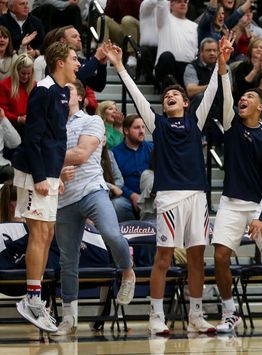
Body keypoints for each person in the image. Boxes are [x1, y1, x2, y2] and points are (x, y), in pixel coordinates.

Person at [105, 41, 217, 335]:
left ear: (185, 103)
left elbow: (214, 89)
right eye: (166, 95)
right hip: (168, 198)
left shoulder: (196, 120)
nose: (169, 96)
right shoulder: (157, 124)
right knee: (164, 258)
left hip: (197, 198)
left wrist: (223, 64)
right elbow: (136, 94)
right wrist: (119, 66)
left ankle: (195, 314)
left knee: (196, 259)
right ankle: (156, 316)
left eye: (175, 95)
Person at [213, 34, 262, 334]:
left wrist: (261, 217)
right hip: (231, 203)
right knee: (219, 256)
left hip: (259, 206)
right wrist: (223, 64)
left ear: (260, 108)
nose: (244, 100)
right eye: (243, 98)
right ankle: (230, 313)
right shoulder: (231, 124)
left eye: (250, 98)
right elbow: (227, 92)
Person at [53, 79, 136, 336]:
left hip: (92, 190)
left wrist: (49, 153)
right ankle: (69, 318)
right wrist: (56, 175)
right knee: (68, 260)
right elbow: (42, 165)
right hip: (64, 199)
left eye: (69, 91)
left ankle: (128, 271)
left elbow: (80, 154)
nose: (64, 96)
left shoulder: (92, 121)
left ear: (81, 97)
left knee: (111, 234)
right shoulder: (52, 127)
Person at [13, 42, 81, 333]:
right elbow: (33, 139)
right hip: (33, 172)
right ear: (59, 62)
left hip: (49, 172)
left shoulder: (63, 92)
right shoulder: (43, 90)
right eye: (74, 58)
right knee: (39, 234)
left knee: (48, 232)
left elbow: (56, 138)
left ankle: (35, 297)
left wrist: (57, 175)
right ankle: (32, 298)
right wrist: (41, 176)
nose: (78, 63)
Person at [112, 115, 153, 222]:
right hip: (127, 198)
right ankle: (128, 235)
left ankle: (150, 232)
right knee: (117, 204)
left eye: (143, 127)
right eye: (137, 128)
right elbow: (114, 180)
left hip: (149, 197)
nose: (142, 131)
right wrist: (132, 195)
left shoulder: (152, 149)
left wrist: (143, 198)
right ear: (126, 130)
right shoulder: (115, 153)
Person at [0, 53, 35, 136]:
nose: (26, 77)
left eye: (28, 74)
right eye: (23, 73)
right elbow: (3, 111)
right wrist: (18, 119)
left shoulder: (35, 85)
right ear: (16, 71)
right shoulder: (4, 85)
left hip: (31, 127)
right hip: (11, 127)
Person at [0, 106, 20, 183]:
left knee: (13, 173)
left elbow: (16, 143)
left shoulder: (1, 121)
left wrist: (3, 119)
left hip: (1, 165)